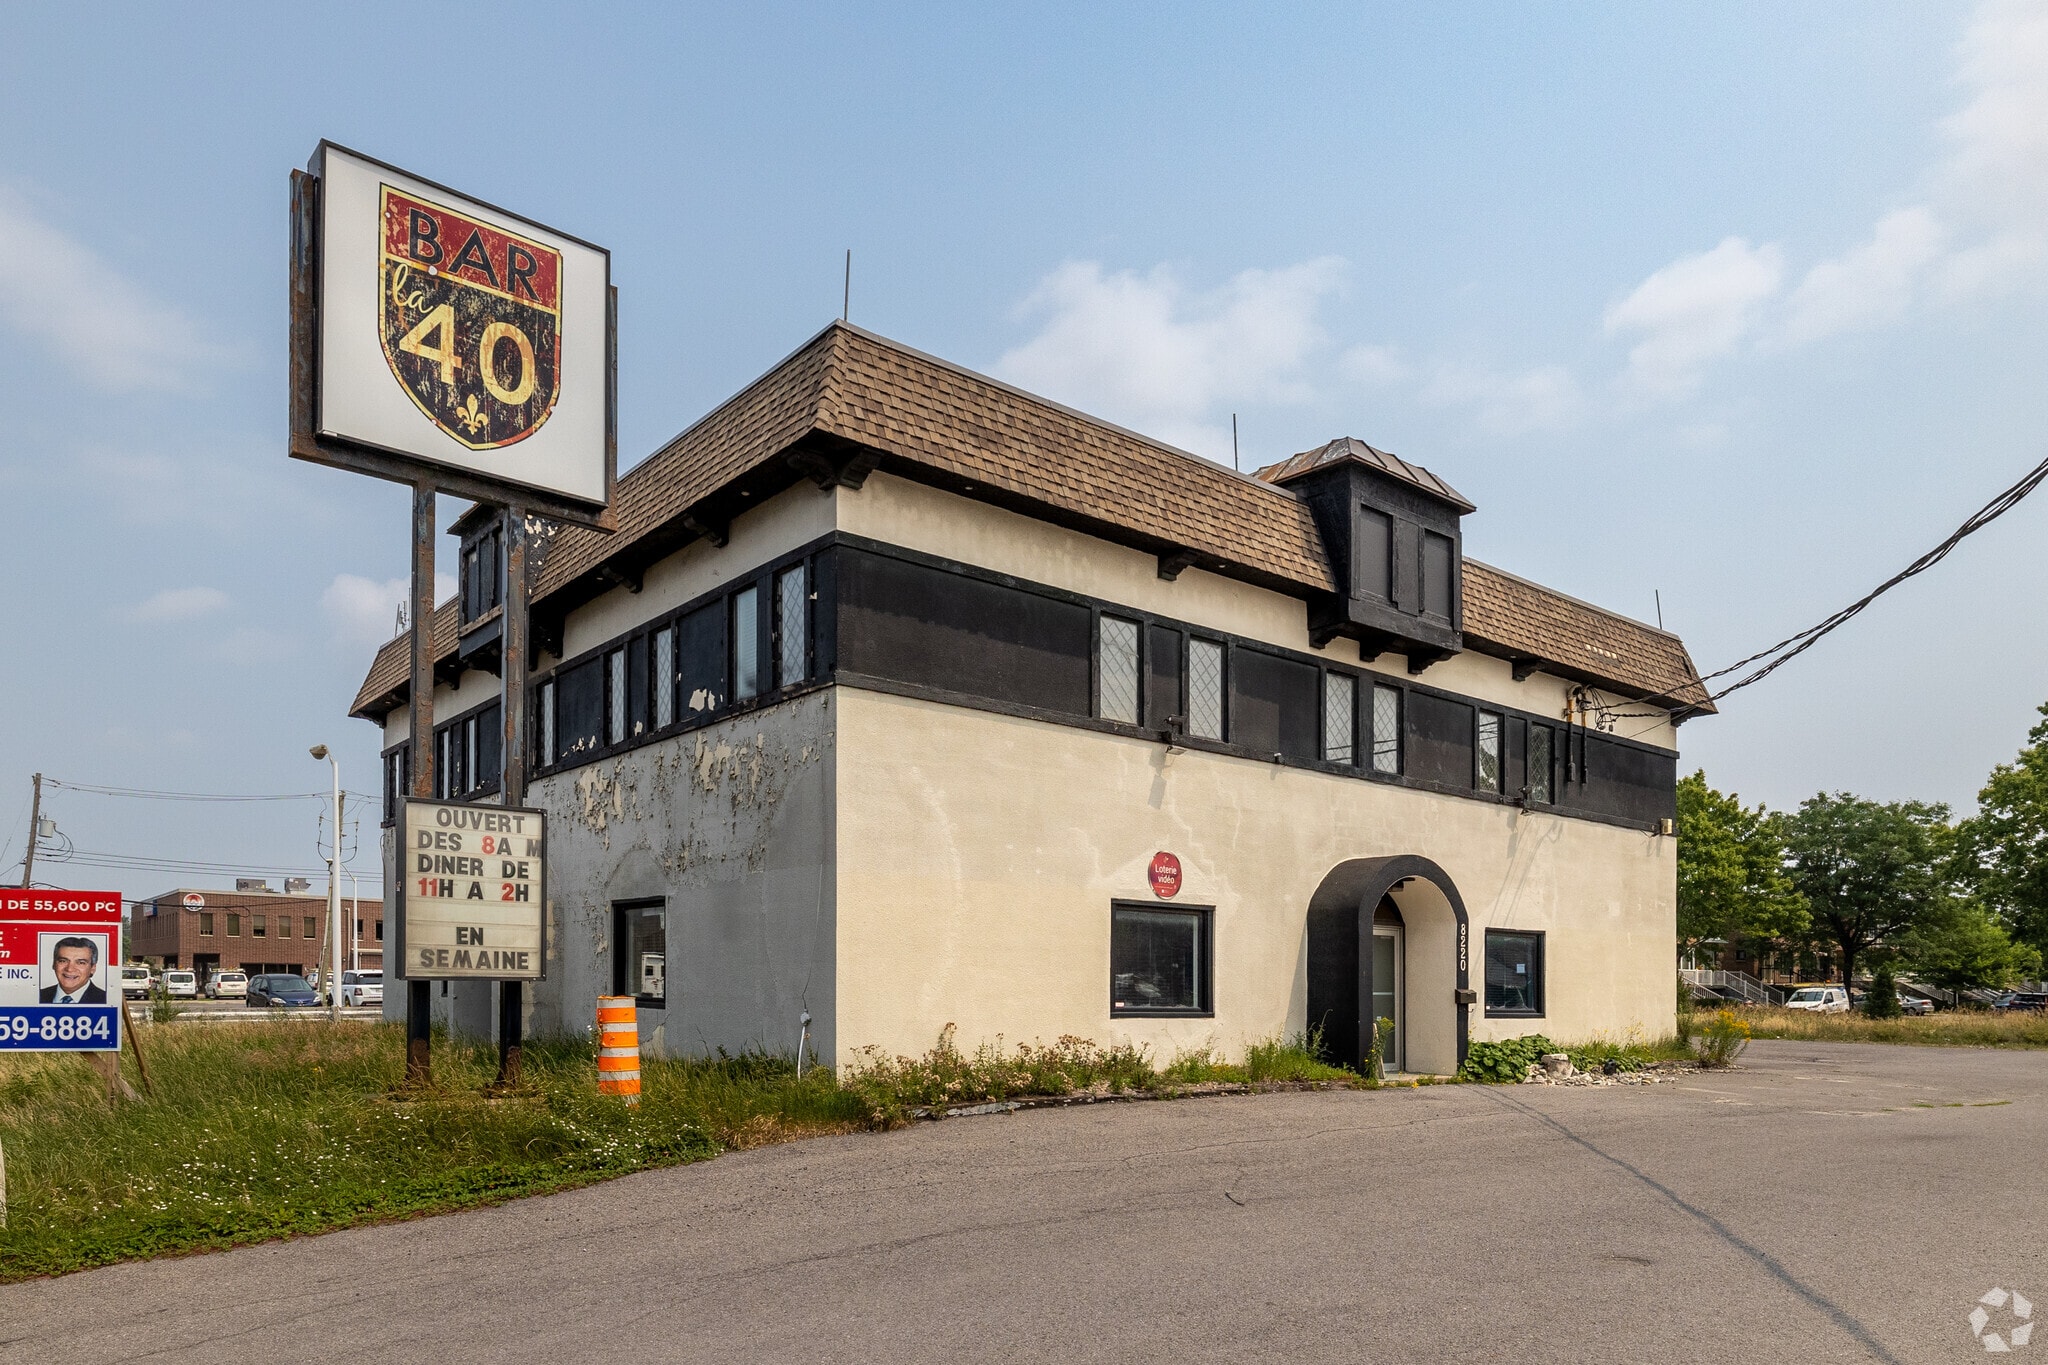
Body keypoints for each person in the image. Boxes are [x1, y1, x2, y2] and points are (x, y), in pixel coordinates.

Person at [40, 936, 107, 1004]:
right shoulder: (38, 995)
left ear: (92, 968)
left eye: (81, 963)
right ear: (54, 964)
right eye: (63, 961)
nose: (69, 969)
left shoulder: (107, 999)